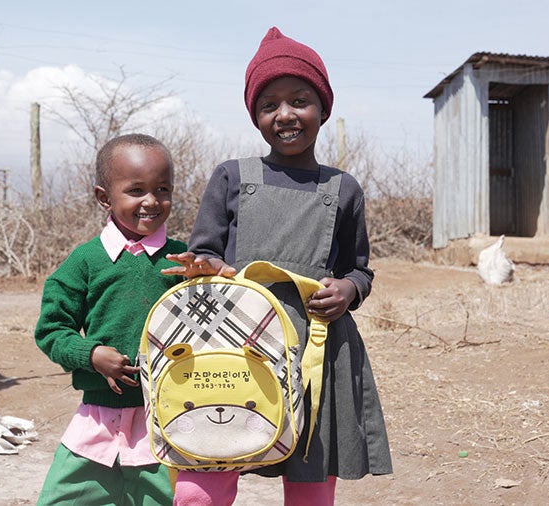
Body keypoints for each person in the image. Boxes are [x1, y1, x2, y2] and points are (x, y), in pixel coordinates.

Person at [162, 27, 393, 505]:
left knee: (309, 488)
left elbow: (360, 269)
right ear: (255, 117)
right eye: (269, 105)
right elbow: (206, 254)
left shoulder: (343, 188)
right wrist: (204, 267)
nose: (285, 115)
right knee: (202, 483)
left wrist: (348, 291)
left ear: (323, 109)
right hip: (232, 345)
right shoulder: (231, 176)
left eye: (299, 100)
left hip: (315, 350)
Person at [34, 133, 186, 505]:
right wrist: (91, 355)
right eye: (136, 190)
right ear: (104, 197)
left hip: (167, 419)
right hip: (99, 418)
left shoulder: (184, 260)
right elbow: (52, 329)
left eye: (163, 189)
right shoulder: (85, 261)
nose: (152, 201)